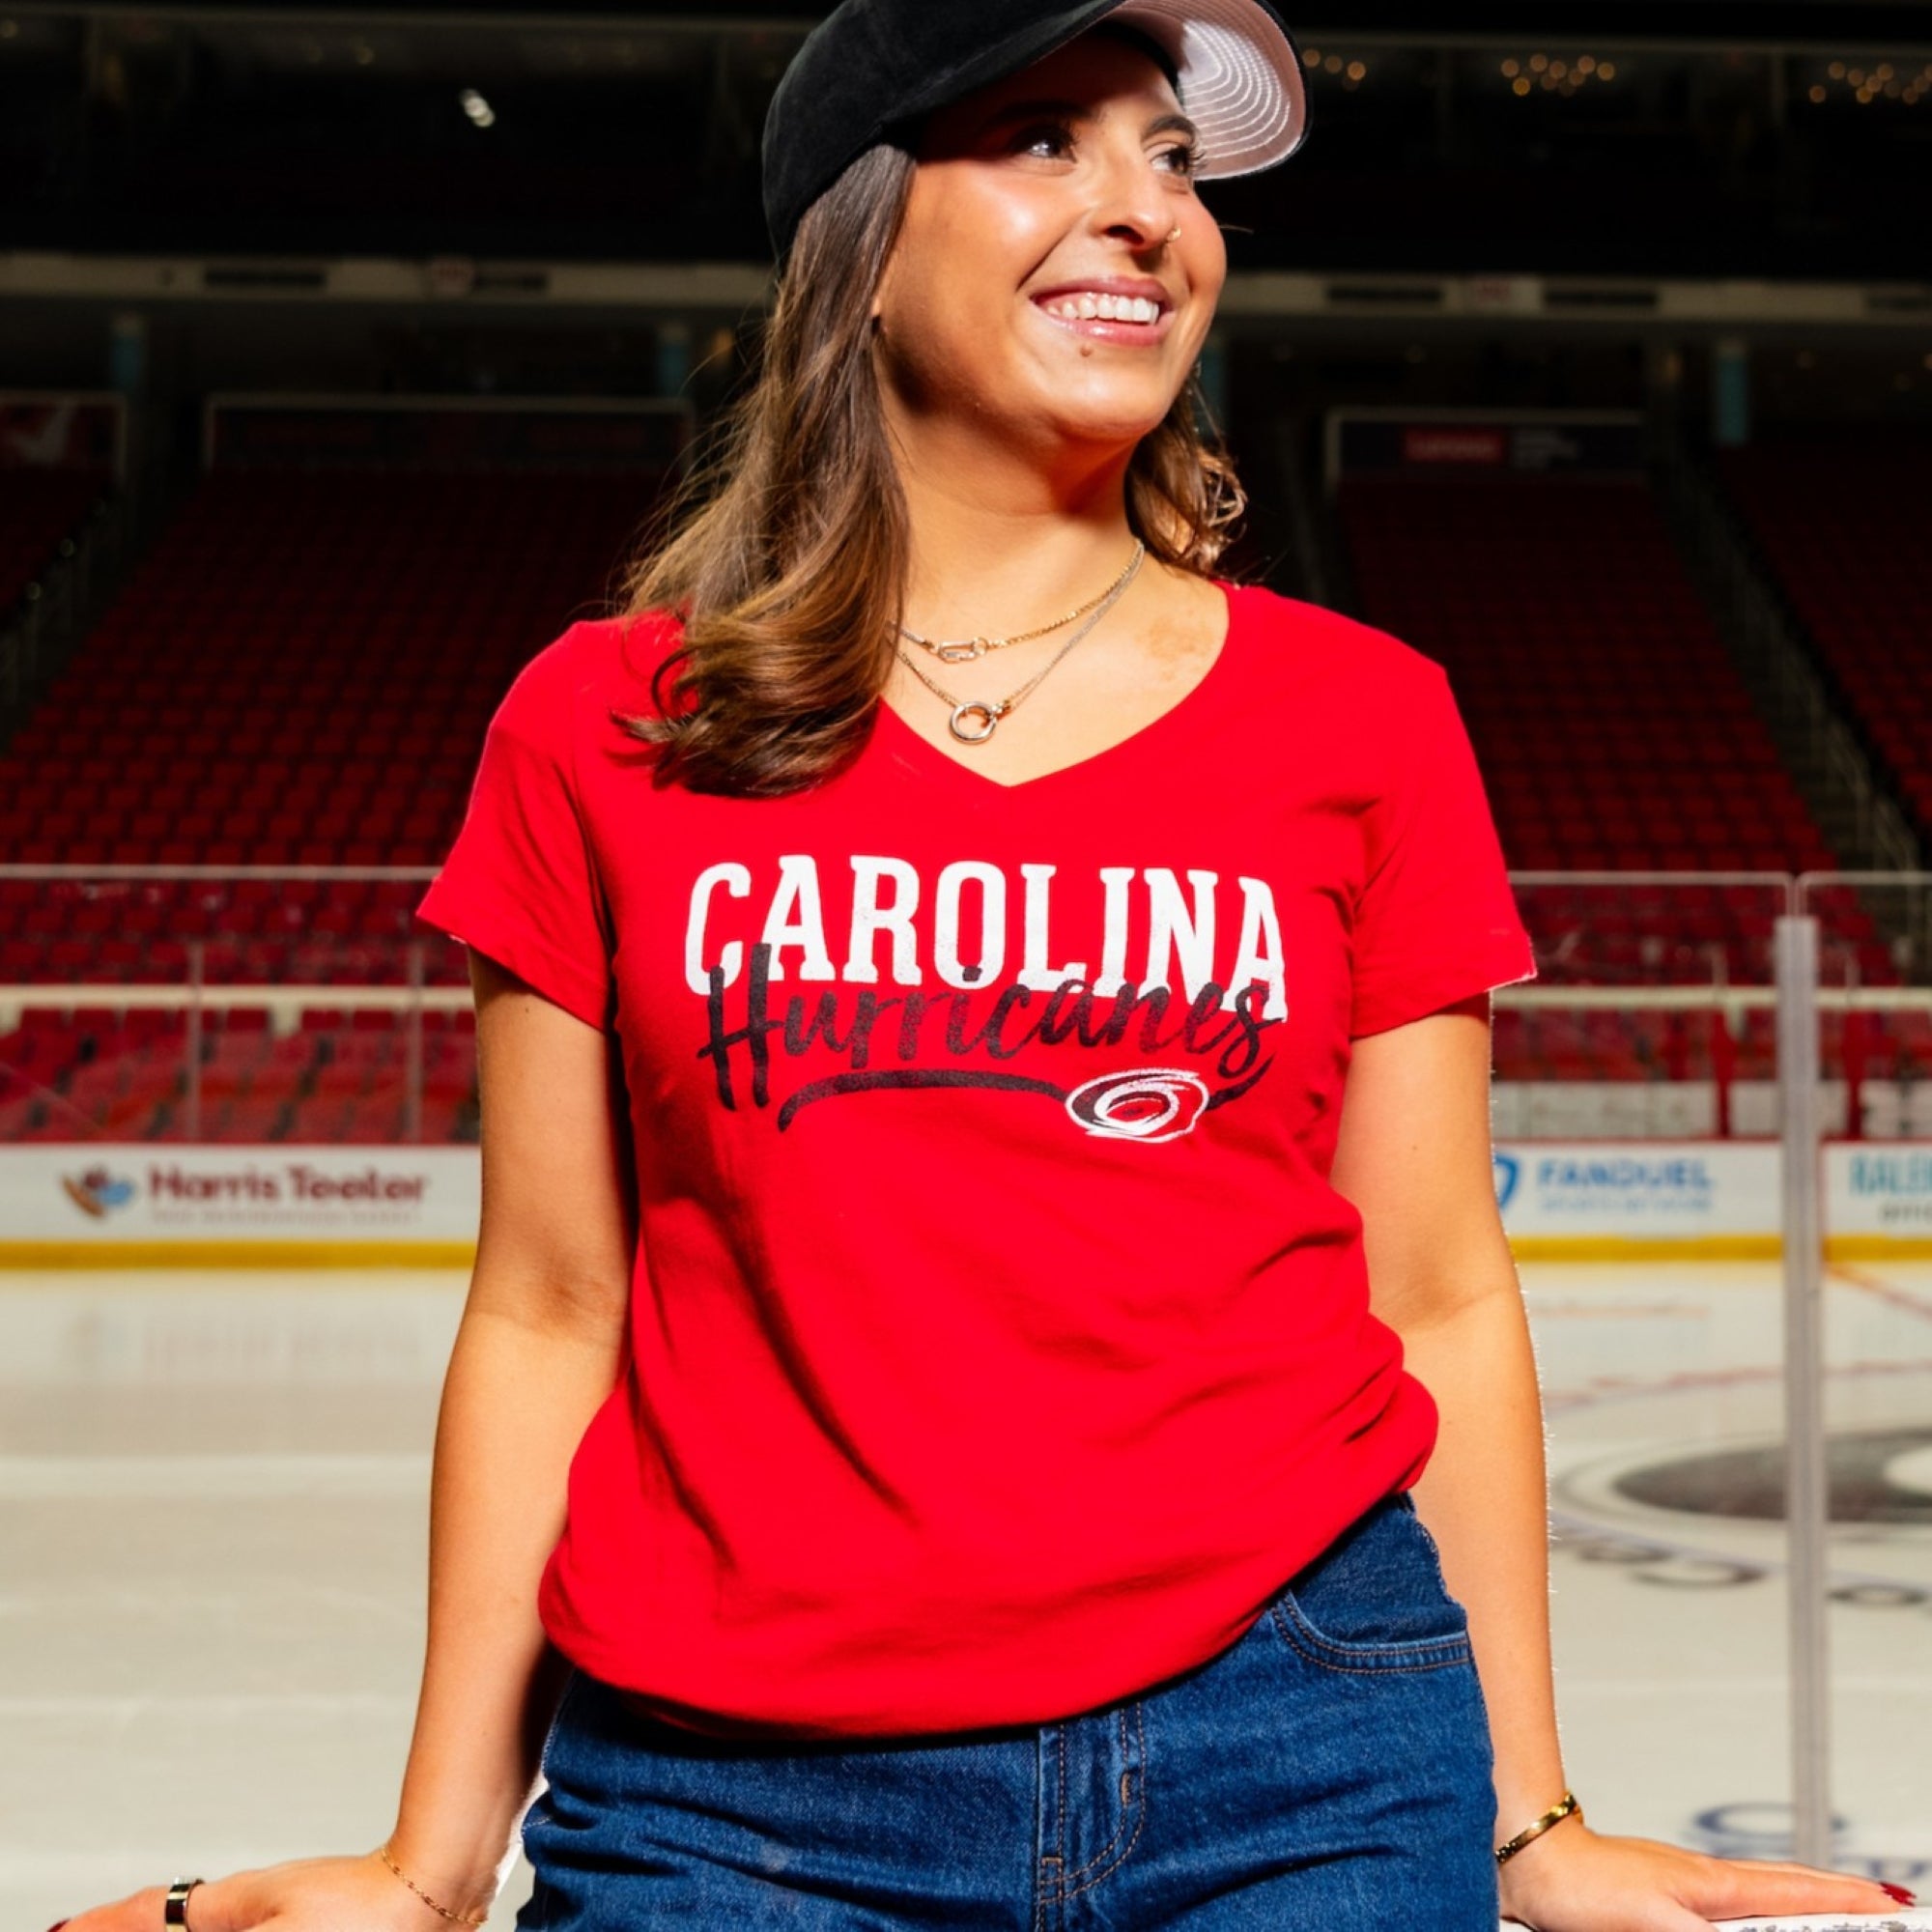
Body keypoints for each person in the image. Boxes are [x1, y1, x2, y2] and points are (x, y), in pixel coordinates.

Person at [58, 3, 1918, 1929]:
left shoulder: (1366, 717)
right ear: (858, 246)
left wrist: (1525, 1823)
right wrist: (432, 1862)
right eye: (1045, 140)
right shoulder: (605, 721)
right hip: (734, 1794)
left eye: (1175, 165)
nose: (1145, 214)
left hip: (1303, 1750)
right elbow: (546, 1305)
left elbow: (1435, 1287)